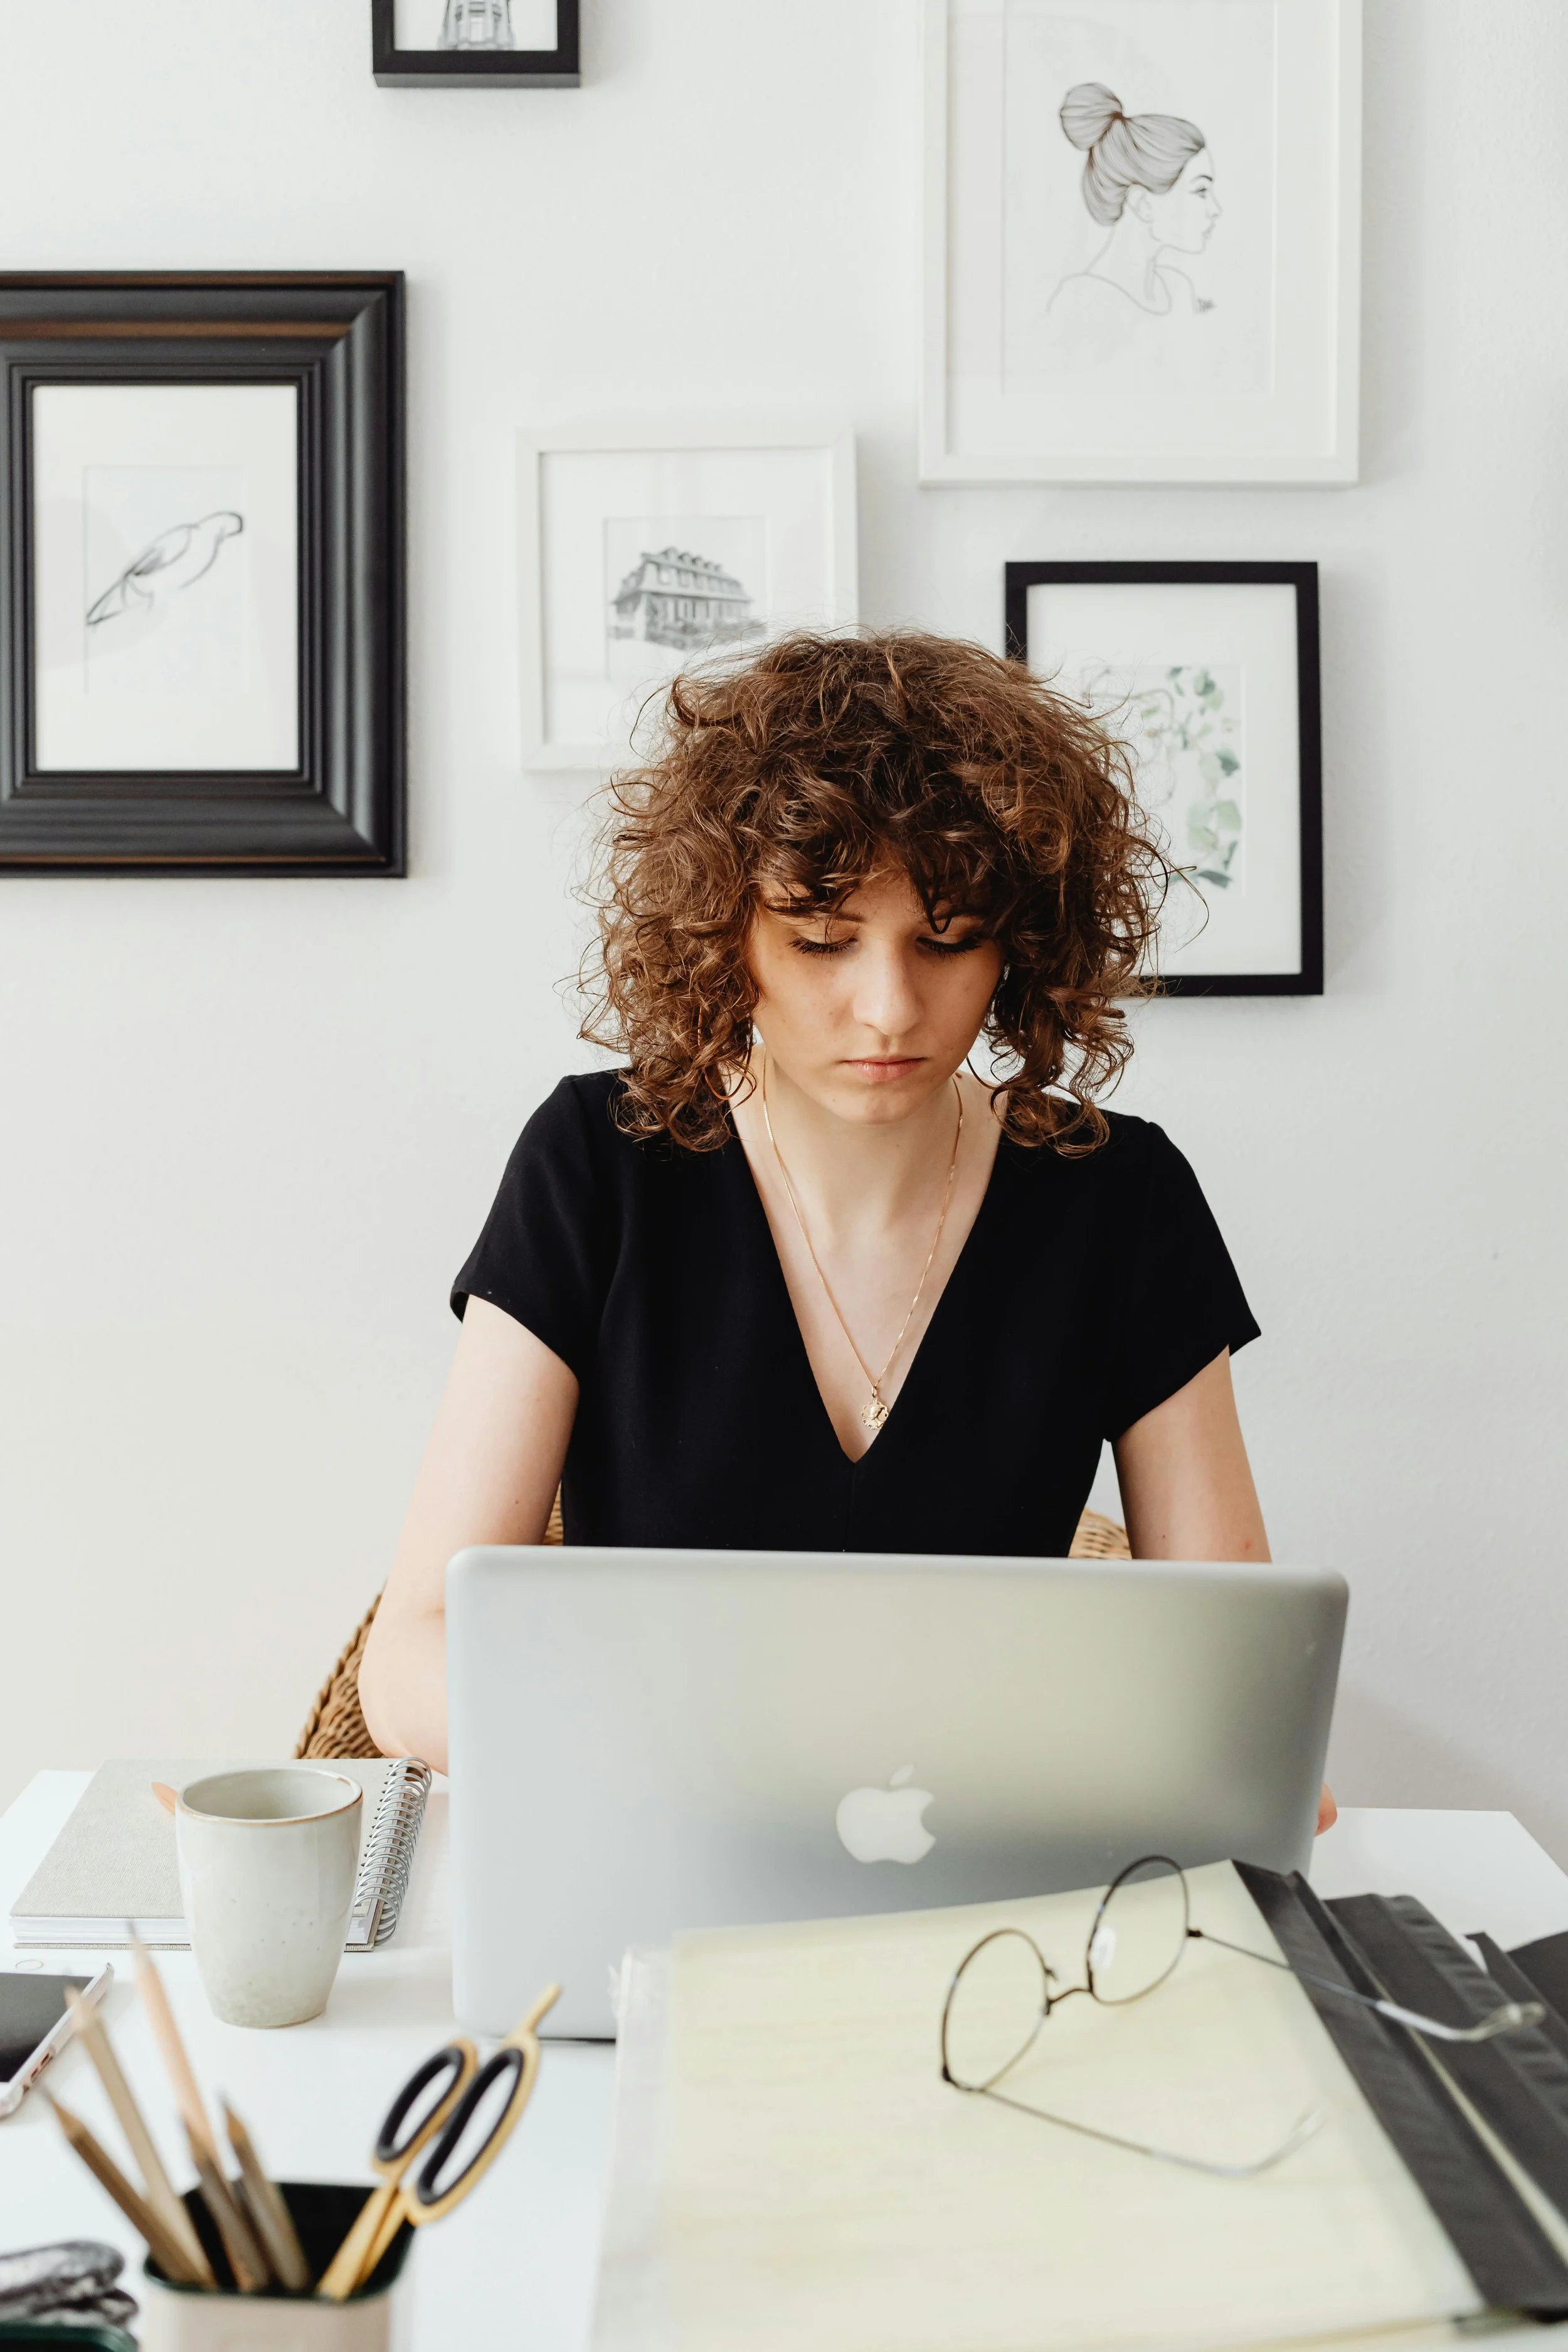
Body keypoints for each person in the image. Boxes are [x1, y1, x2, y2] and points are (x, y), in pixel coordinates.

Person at [359, 628, 1333, 1831]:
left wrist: (1247, 1754)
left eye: (949, 940)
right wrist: (672, 1763)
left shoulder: (1120, 1196)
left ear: (1019, 947)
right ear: (726, 936)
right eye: (823, 942)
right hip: (654, 1856)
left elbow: (1230, 1656)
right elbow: (408, 1662)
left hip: (997, 1890)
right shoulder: (596, 1165)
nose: (889, 1007)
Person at [1047, 82, 1221, 322]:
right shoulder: (1080, 306)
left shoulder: (1177, 288)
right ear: (1143, 204)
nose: (1216, 210)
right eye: (1201, 191)